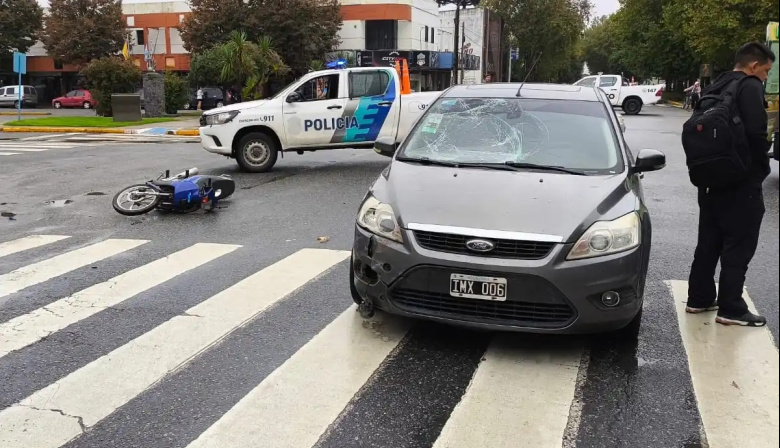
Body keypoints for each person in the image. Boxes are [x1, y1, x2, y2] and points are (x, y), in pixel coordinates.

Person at [686, 42, 775, 327]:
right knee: (738, 245)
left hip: (710, 179)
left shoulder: (717, 84)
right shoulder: (749, 87)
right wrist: (759, 169)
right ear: (753, 66)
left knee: (708, 241)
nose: (765, 77)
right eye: (766, 71)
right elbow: (757, 134)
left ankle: (698, 299)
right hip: (740, 181)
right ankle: (731, 308)